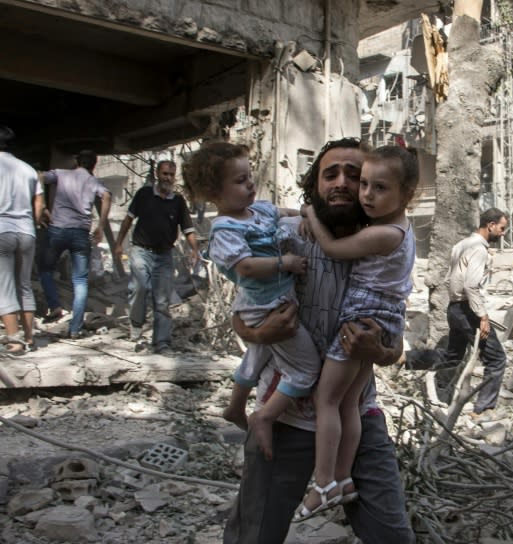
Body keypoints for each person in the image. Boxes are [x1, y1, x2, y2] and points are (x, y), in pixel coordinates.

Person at [223, 137, 415, 544]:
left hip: (356, 418)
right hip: (285, 417)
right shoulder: (283, 236)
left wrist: (378, 350)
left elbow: (395, 341)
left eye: (356, 175)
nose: (344, 183)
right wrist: (260, 333)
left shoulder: (384, 244)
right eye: (332, 174)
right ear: (314, 187)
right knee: (254, 535)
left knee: (392, 536)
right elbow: (243, 314)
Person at [297, 145, 417, 520]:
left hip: (361, 320)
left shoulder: (380, 233)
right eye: (364, 184)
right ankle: (343, 478)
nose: (363, 193)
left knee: (327, 400)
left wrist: (309, 214)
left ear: (406, 194)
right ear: (314, 182)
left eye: (376, 187)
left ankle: (322, 484)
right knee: (346, 402)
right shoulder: (389, 228)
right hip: (378, 316)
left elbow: (332, 248)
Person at [181, 142, 316, 455]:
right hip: (264, 305)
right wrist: (285, 263)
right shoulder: (225, 228)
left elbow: (285, 212)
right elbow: (244, 266)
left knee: (258, 355)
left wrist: (307, 212)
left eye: (249, 177)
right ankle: (264, 416)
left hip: (271, 301)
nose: (250, 185)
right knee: (306, 368)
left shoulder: (258, 211)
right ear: (215, 193)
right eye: (240, 181)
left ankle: (235, 406)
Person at [114, 160, 198, 353]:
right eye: (164, 174)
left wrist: (195, 249)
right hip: (141, 251)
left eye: (171, 174)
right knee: (140, 287)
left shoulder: (178, 201)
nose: (168, 178)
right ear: (157, 175)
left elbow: (188, 228)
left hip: (164, 255)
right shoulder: (144, 194)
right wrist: (119, 244)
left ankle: (162, 342)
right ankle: (136, 325)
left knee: (161, 300)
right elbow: (128, 219)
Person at [444, 208, 510, 420]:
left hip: (454, 307)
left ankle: (411, 364)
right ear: (490, 225)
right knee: (496, 358)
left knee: (452, 357)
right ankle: (483, 409)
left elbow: (448, 278)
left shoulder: (461, 245)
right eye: (502, 228)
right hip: (468, 310)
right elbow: (471, 285)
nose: (503, 233)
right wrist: (482, 317)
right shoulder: (479, 250)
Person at [39, 150, 111, 338]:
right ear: (94, 165)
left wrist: (43, 207)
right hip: (80, 233)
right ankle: (75, 328)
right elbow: (107, 197)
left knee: (45, 269)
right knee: (80, 281)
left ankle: (54, 306)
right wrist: (101, 226)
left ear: (76, 161)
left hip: (58, 230)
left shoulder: (62, 174)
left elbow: (39, 177)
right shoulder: (93, 181)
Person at [0, 126, 44, 354]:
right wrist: (33, 225)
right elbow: (39, 204)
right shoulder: (29, 170)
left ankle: (14, 340)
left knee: (4, 286)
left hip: (2, 230)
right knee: (24, 286)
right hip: (27, 232)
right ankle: (29, 337)